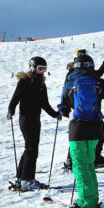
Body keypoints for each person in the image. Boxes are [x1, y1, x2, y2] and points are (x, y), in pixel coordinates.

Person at [57, 53, 104, 208]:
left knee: (80, 166)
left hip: (77, 128)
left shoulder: (70, 82)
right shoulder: (98, 81)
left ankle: (86, 202)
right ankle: (92, 197)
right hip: (95, 128)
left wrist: (66, 112)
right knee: (89, 164)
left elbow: (63, 107)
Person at [7, 56, 61, 191]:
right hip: (26, 119)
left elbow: (45, 104)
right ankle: (27, 180)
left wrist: (55, 114)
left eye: (44, 69)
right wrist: (10, 111)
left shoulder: (41, 84)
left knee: (29, 148)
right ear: (32, 67)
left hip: (36, 119)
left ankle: (21, 178)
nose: (42, 71)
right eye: (40, 68)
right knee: (32, 149)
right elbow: (15, 99)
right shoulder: (24, 82)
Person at [62, 50, 104, 169]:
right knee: (99, 131)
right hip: (92, 111)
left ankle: (71, 159)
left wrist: (63, 109)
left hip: (77, 111)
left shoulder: (71, 75)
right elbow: (99, 73)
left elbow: (65, 92)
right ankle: (95, 157)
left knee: (77, 135)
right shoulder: (91, 75)